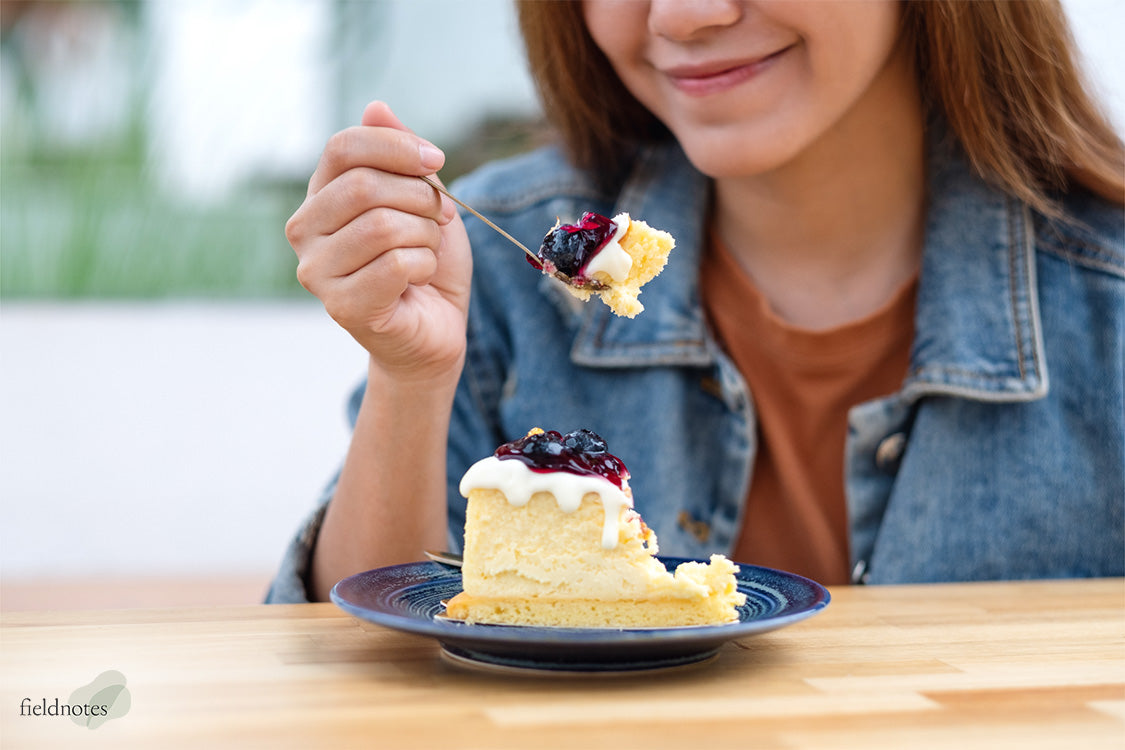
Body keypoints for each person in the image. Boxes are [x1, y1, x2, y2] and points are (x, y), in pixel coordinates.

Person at [268, 0, 1124, 603]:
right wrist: (410, 379)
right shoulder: (495, 260)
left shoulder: (1107, 301)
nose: (681, 15)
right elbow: (357, 661)